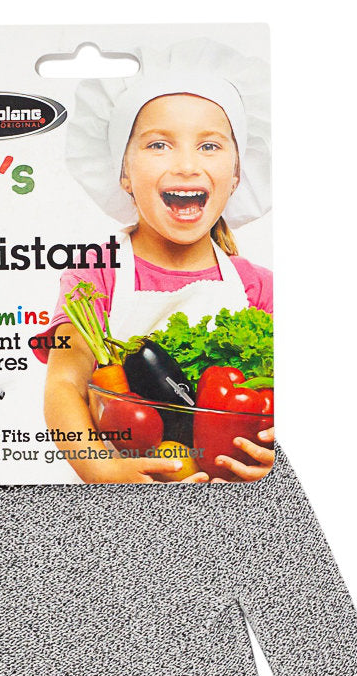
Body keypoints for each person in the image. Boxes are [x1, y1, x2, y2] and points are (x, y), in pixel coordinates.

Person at [35, 45, 276, 484]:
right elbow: (64, 384)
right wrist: (103, 470)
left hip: (234, 495)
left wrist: (275, 455)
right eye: (159, 144)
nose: (186, 165)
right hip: (122, 498)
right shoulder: (97, 275)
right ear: (123, 173)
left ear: (237, 174)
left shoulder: (260, 289)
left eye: (209, 145)